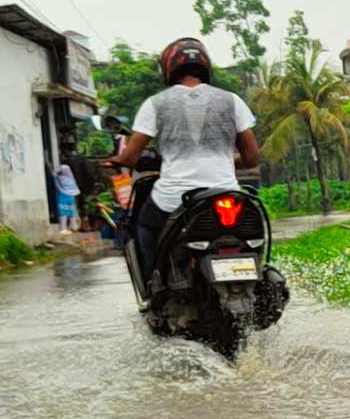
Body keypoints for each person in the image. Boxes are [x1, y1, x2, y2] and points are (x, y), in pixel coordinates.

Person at [107, 37, 259, 280]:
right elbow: (251, 158)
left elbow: (131, 157)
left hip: (174, 200)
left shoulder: (154, 104)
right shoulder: (232, 100)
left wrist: (116, 160)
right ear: (205, 66)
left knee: (143, 225)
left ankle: (154, 284)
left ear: (169, 68)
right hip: (226, 193)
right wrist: (227, 160)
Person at [54, 164, 80, 234]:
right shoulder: (71, 178)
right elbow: (74, 189)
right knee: (71, 212)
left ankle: (64, 228)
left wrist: (56, 173)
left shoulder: (58, 178)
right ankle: (73, 226)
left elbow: (57, 186)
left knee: (63, 213)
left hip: (62, 196)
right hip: (70, 197)